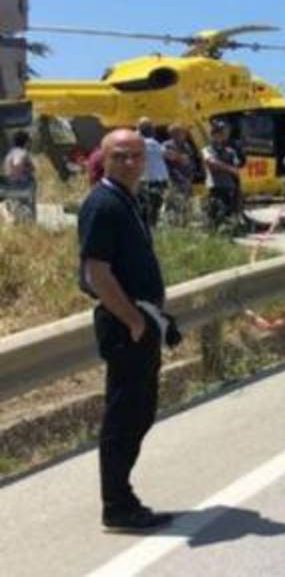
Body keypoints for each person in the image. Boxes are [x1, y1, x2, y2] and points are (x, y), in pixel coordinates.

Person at [78, 129, 178, 531]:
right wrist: (134, 320)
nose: (131, 162)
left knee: (139, 411)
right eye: (121, 156)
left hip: (139, 321)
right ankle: (117, 505)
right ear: (104, 158)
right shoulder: (103, 204)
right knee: (125, 415)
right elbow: (95, 273)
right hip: (125, 325)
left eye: (137, 155)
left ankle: (122, 497)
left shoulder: (126, 199)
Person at [203, 122, 243, 232]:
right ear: (212, 135)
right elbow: (211, 163)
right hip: (215, 185)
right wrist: (229, 168)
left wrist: (228, 168)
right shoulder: (207, 149)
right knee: (215, 211)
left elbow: (237, 165)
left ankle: (227, 233)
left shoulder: (230, 151)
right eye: (217, 134)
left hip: (229, 185)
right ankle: (213, 233)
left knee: (229, 211)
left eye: (221, 134)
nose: (219, 136)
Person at [136, 119, 169, 229]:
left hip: (146, 180)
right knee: (153, 209)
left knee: (147, 208)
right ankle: (150, 229)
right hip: (153, 181)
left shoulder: (138, 142)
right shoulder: (151, 142)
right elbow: (167, 154)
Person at [160, 124, 195, 226]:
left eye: (183, 133)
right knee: (172, 202)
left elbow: (188, 160)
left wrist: (177, 157)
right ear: (172, 134)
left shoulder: (186, 146)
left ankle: (184, 223)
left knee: (186, 203)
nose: (182, 135)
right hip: (173, 179)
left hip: (186, 179)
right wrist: (180, 158)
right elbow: (166, 155)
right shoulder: (167, 144)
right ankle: (171, 224)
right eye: (179, 133)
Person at [2, 129, 36, 223]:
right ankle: (31, 215)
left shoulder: (8, 154)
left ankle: (12, 212)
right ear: (26, 143)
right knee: (33, 181)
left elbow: (6, 169)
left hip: (7, 185)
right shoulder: (25, 154)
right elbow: (32, 168)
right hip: (22, 186)